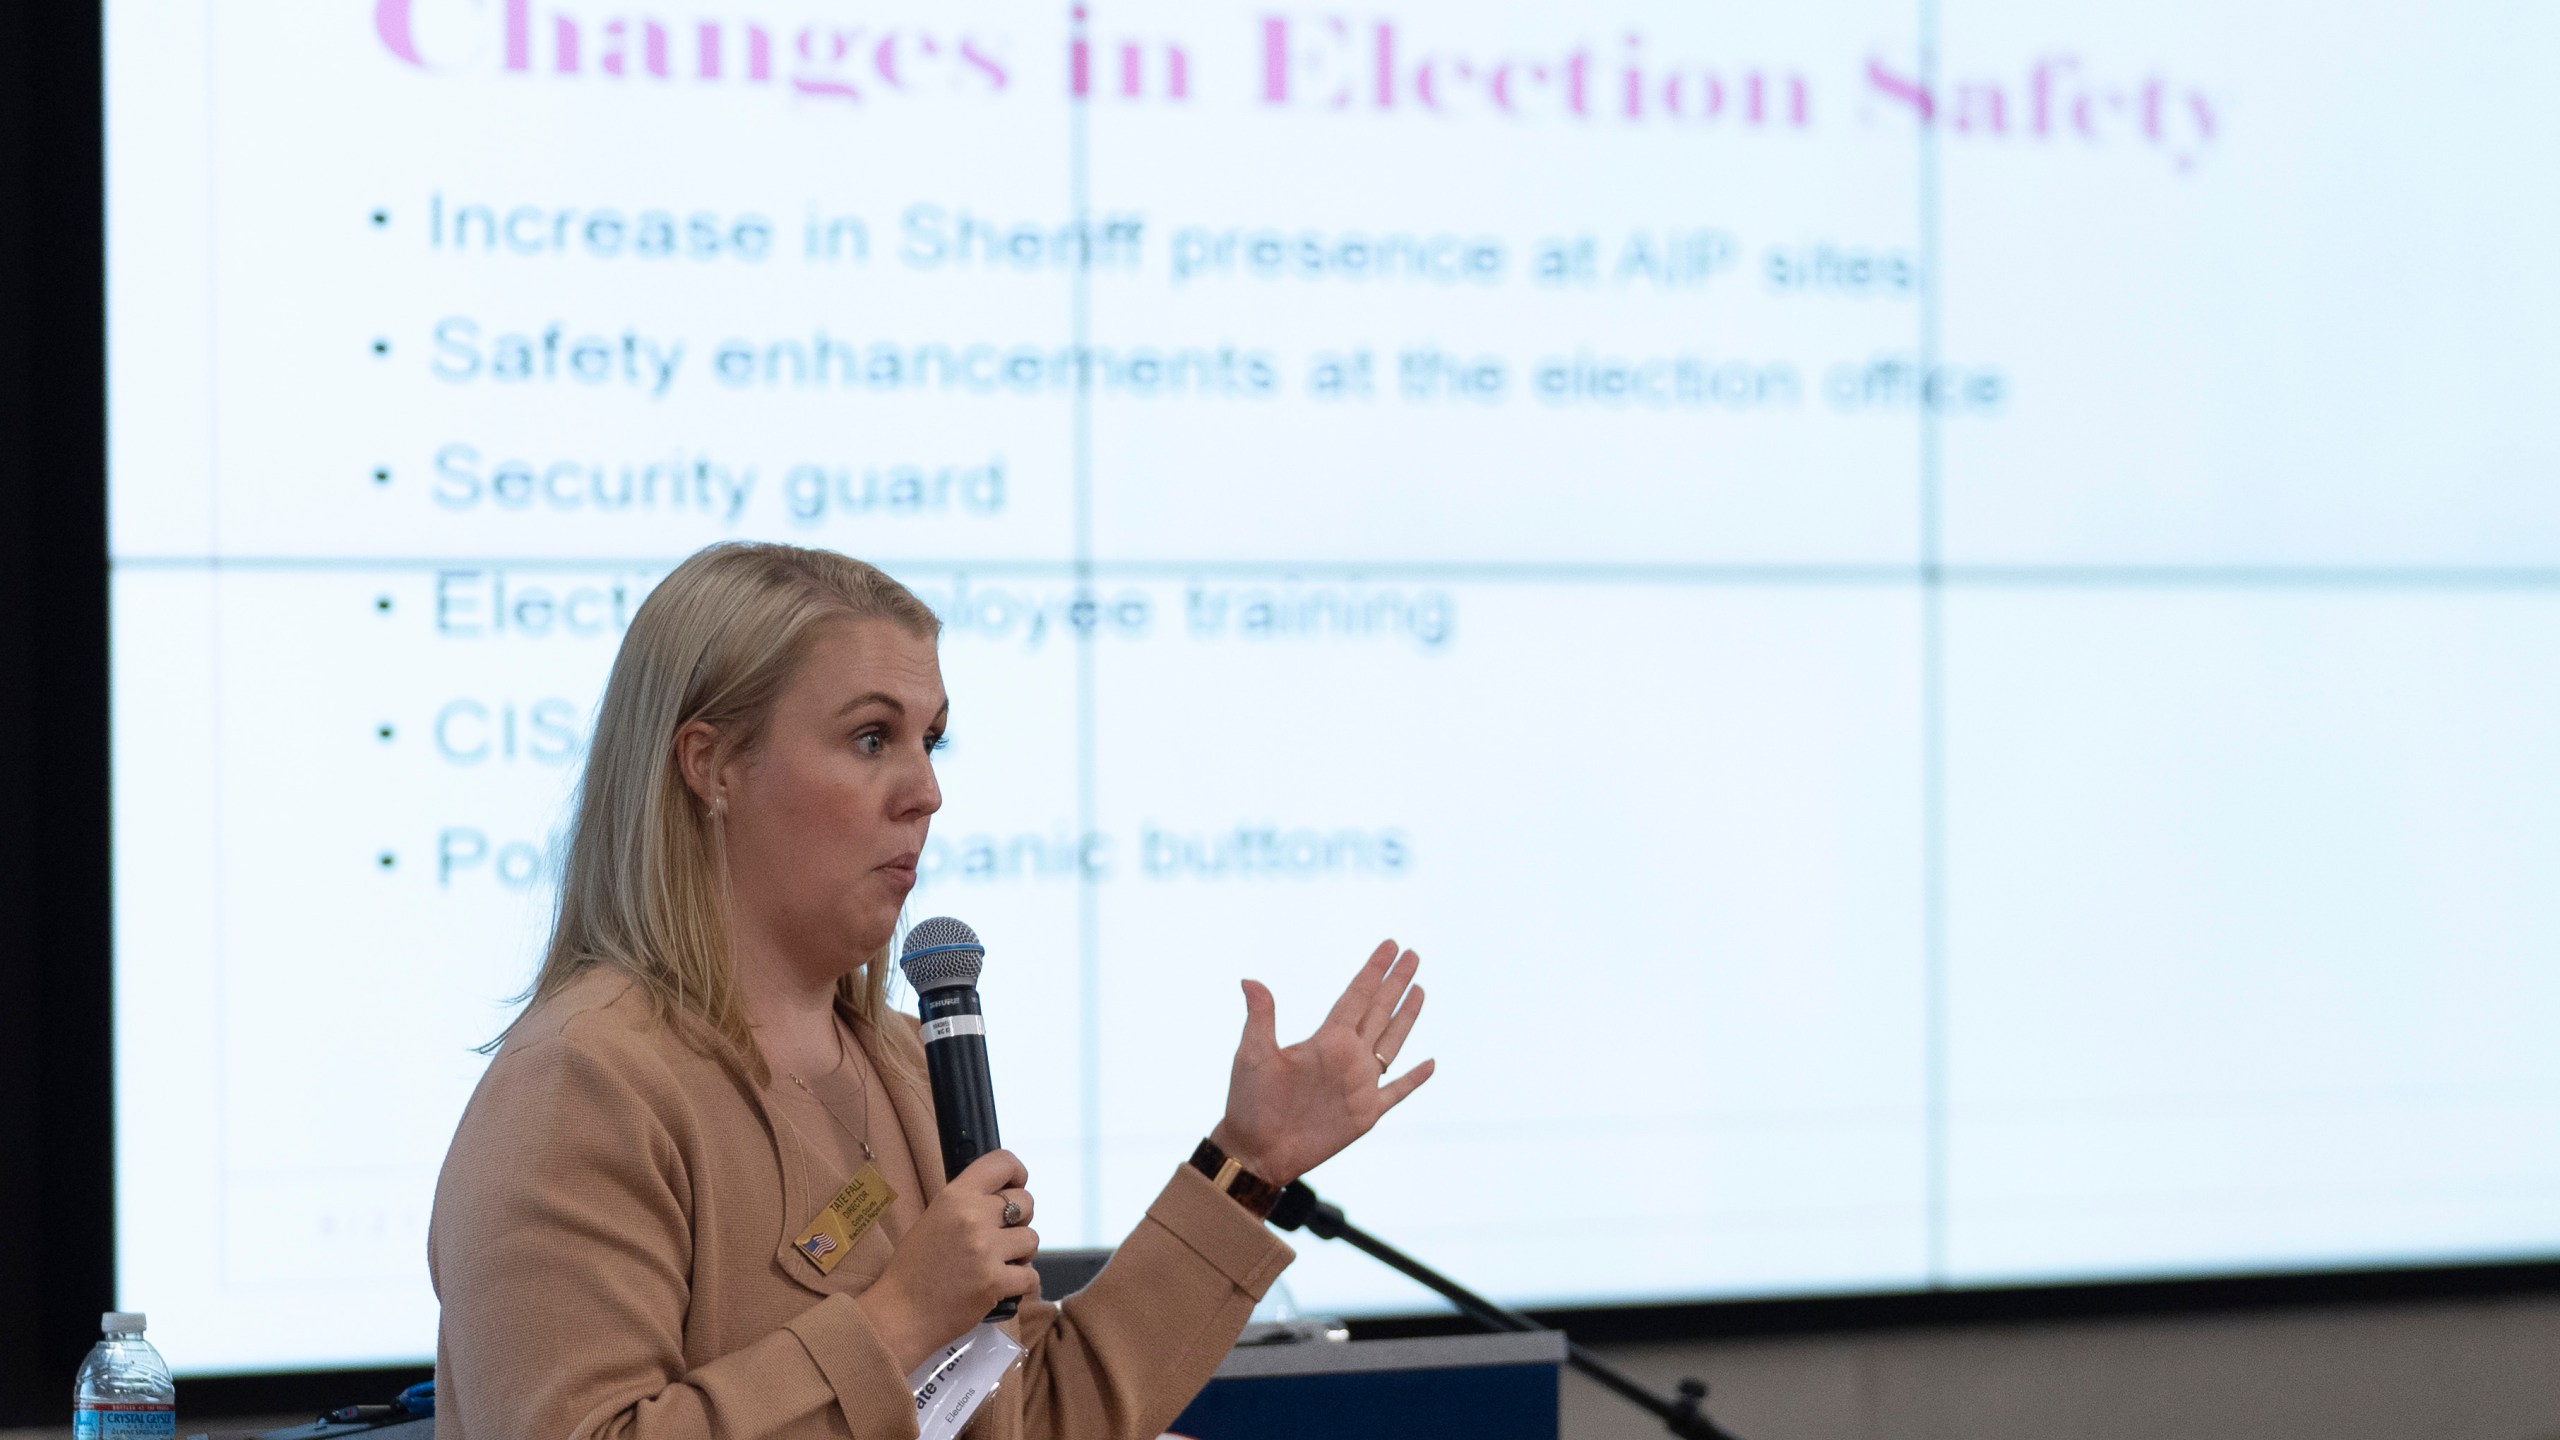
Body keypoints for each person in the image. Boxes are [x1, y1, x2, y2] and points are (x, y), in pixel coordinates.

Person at [429, 542, 1434, 1440]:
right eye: (872, 739)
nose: (925, 789)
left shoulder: (906, 1064)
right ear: (714, 765)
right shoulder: (583, 1083)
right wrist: (894, 1319)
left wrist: (1246, 1165)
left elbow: (1028, 1419)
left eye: (930, 739)